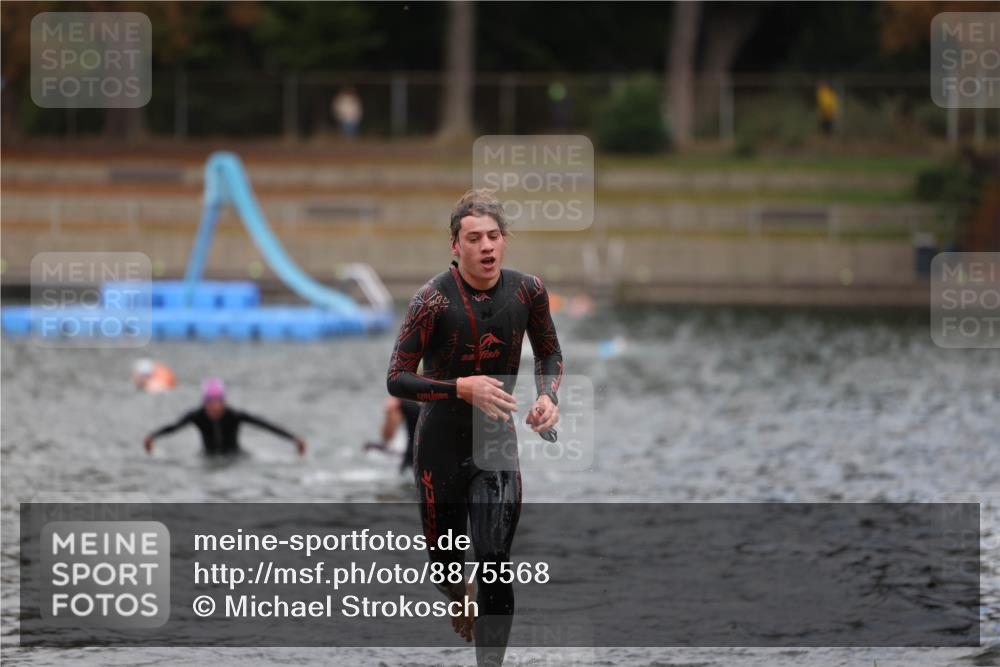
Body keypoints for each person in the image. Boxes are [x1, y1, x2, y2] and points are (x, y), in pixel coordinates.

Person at [386, 189, 563, 666]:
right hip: (439, 449)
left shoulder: (528, 291)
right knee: (447, 569)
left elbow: (548, 351)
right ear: (454, 246)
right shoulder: (431, 300)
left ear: (504, 242)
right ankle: (456, 593)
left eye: (494, 236)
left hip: (495, 446)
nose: (486, 246)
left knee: (493, 562)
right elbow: (396, 378)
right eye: (474, 238)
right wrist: (459, 388)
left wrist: (548, 395)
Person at [143, 378, 305, 457]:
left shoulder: (233, 415)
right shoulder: (197, 416)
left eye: (219, 402)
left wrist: (293, 439)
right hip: (208, 458)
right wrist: (152, 437)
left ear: (224, 402)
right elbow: (173, 427)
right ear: (205, 403)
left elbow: (265, 425)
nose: (215, 407)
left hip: (235, 458)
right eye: (211, 402)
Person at [364, 396, 421, 473]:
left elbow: (387, 436)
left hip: (413, 463)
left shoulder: (400, 400)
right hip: (432, 460)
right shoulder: (439, 395)